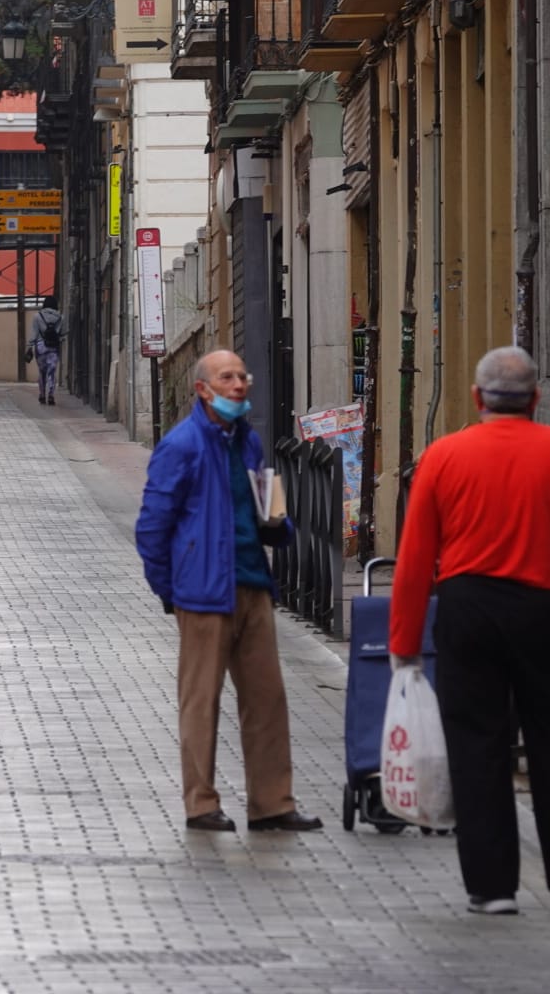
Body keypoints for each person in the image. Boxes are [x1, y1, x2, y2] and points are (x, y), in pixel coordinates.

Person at [389, 346, 550, 921]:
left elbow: (415, 556)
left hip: (467, 608)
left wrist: (404, 642)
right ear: (536, 399)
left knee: (477, 745)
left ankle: (491, 887)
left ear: (476, 399)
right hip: (545, 606)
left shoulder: (443, 457)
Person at [135, 350, 322, 833]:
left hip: (252, 583)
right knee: (201, 701)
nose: (239, 384)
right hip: (201, 593)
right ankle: (201, 804)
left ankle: (272, 803)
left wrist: (279, 520)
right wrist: (169, 591)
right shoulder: (182, 445)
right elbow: (152, 527)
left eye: (243, 375)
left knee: (267, 699)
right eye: (227, 377)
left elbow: (267, 504)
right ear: (203, 389)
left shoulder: (249, 443)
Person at [28, 296, 64, 406]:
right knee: (52, 372)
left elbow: (34, 334)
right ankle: (51, 394)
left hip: (40, 347)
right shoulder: (61, 317)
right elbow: (63, 333)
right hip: (53, 348)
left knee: (42, 372)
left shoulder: (37, 316)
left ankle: (42, 394)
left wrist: (29, 345)